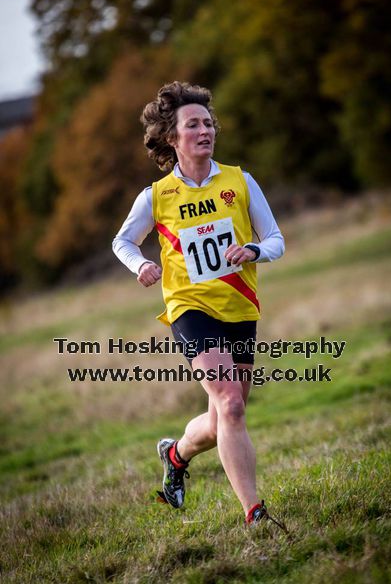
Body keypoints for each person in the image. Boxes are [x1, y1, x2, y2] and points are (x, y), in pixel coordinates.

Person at [112, 81, 285, 525]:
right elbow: (123, 241)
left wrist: (253, 251)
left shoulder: (239, 180)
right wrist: (140, 266)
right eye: (194, 124)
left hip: (240, 307)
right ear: (173, 137)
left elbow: (276, 240)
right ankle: (254, 512)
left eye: (209, 123)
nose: (205, 131)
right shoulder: (157, 196)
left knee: (222, 418)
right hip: (190, 309)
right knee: (229, 403)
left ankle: (175, 453)